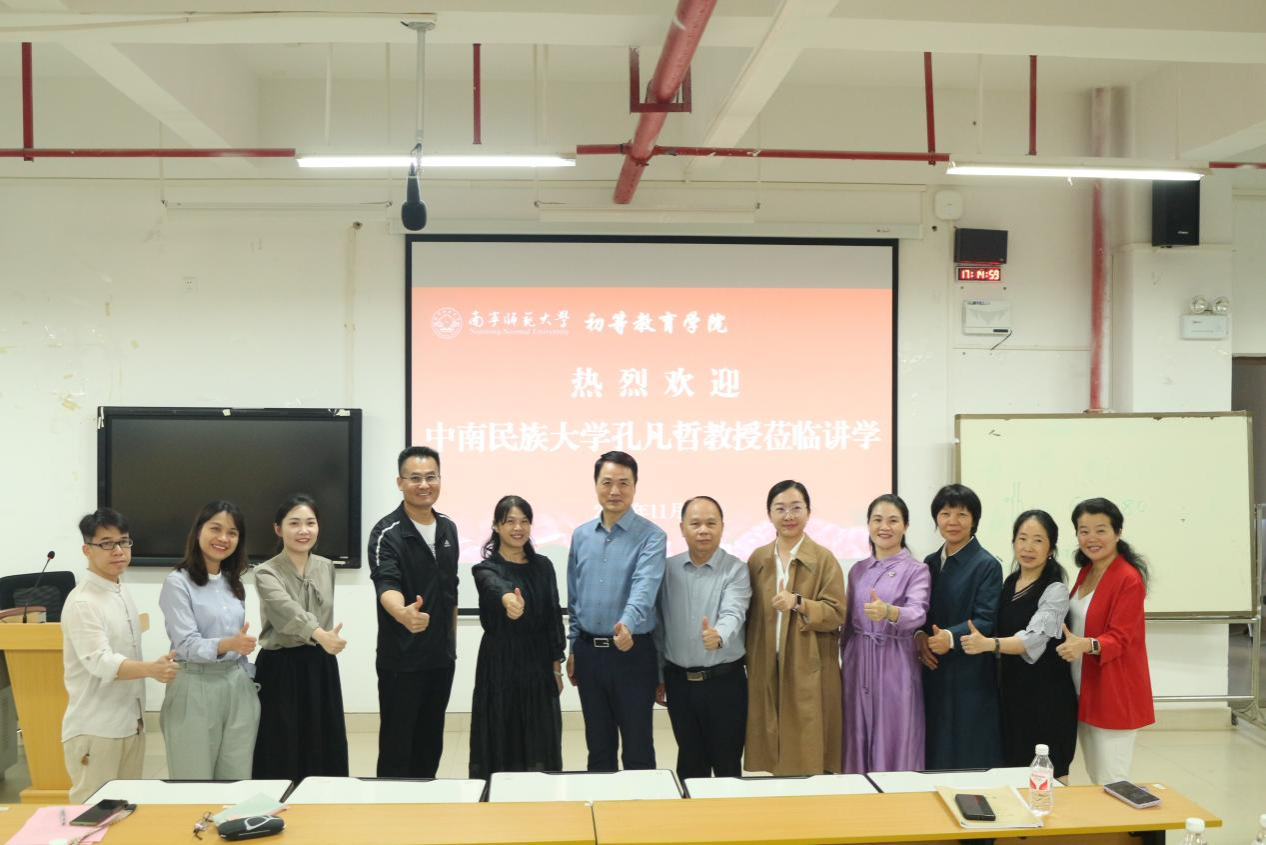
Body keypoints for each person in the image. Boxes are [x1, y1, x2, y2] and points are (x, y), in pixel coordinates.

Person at [61, 508, 179, 803]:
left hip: (130, 723)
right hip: (96, 728)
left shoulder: (119, 590)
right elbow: (102, 663)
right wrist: (151, 669)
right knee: (92, 816)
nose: (118, 551)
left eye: (124, 542)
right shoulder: (83, 602)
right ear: (87, 549)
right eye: (106, 543)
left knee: (125, 812)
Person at [566, 451, 667, 771]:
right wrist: (573, 647)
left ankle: (641, 804)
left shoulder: (652, 536)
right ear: (595, 485)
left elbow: (644, 587)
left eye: (624, 483)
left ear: (635, 486)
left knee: (637, 748)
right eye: (607, 482)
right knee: (598, 748)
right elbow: (574, 597)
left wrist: (626, 624)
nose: (615, 491)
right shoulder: (581, 535)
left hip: (632, 652)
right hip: (588, 654)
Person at [959, 510, 1078, 780]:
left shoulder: (1056, 590)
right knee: (1015, 772)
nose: (1028, 547)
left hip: (1047, 698)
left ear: (1051, 548)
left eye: (1038, 540)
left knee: (1048, 777)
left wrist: (988, 644)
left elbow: (1032, 640)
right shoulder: (1010, 582)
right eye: (1022, 538)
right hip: (1013, 694)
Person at [367, 445, 459, 778]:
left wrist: (451, 646)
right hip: (401, 661)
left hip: (440, 660)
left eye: (431, 477)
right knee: (397, 748)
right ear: (400, 482)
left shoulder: (448, 527)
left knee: (430, 744)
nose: (424, 485)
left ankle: (425, 803)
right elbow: (385, 584)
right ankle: (390, 807)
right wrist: (403, 613)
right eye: (415, 478)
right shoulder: (386, 532)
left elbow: (451, 590)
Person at [745, 480, 846, 775]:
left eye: (796, 508)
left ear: (808, 512)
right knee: (769, 742)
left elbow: (836, 613)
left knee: (807, 744)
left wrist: (800, 603)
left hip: (808, 665)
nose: (788, 516)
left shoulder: (824, 559)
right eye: (780, 509)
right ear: (769, 514)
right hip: (766, 663)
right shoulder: (758, 559)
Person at [159, 500, 260, 779]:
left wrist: (244, 669)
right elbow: (186, 644)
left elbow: (237, 640)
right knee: (194, 780)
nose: (223, 538)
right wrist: (228, 644)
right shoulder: (177, 582)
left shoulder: (232, 582)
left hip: (236, 684)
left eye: (232, 532)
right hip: (195, 684)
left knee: (237, 778)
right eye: (215, 529)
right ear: (198, 531)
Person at [653, 496, 752, 780]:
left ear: (722, 527)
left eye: (711, 523)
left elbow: (734, 610)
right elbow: (659, 627)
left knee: (727, 764)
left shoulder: (736, 569)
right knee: (690, 763)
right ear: (682, 528)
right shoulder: (666, 570)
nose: (703, 530)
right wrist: (659, 674)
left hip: (725, 682)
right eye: (695, 524)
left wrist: (719, 635)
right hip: (679, 683)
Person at [1056, 497, 1153, 784]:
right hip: (1084, 687)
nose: (1091, 538)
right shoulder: (1087, 571)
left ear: (1118, 532)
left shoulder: (1128, 578)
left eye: (1101, 530)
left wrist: (1086, 644)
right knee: (1096, 775)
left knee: (1112, 779)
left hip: (1112, 689)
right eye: (1084, 531)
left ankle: (1127, 817)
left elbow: (1120, 638)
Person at [252, 494, 349, 780]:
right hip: (281, 667)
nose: (303, 530)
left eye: (310, 523)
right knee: (281, 744)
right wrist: (319, 634)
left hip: (320, 665)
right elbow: (286, 610)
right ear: (278, 529)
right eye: (294, 523)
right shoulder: (265, 572)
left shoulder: (326, 566)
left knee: (323, 741)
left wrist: (322, 640)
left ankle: (322, 801)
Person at [468, 495, 565, 778]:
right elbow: (494, 586)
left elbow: (553, 617)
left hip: (537, 662)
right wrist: (509, 599)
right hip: (500, 662)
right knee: (502, 730)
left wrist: (556, 669)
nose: (518, 528)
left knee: (539, 735)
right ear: (496, 526)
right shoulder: (485, 569)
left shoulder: (544, 566)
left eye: (524, 521)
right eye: (509, 521)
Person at [914, 483, 1003, 770]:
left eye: (962, 514)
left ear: (974, 520)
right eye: (945, 514)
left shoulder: (987, 564)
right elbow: (921, 612)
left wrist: (949, 638)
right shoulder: (929, 563)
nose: (952, 521)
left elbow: (986, 619)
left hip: (970, 673)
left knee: (968, 750)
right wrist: (919, 636)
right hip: (933, 668)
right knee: (933, 746)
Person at [840, 494, 930, 774]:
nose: (884, 527)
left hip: (896, 661)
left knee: (895, 733)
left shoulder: (917, 570)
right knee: (855, 732)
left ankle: (896, 795)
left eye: (893, 520)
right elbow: (847, 625)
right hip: (857, 662)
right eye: (877, 520)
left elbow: (918, 612)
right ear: (868, 525)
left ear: (905, 526)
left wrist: (889, 612)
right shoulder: (857, 570)